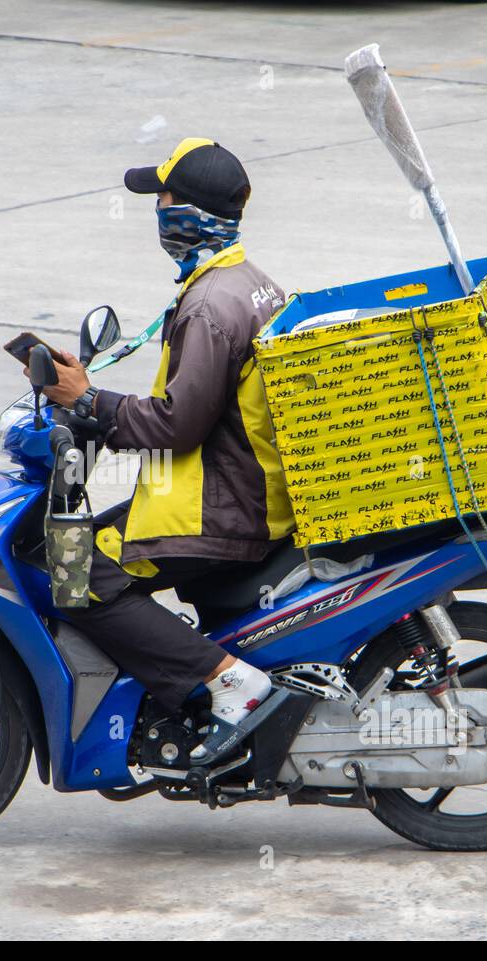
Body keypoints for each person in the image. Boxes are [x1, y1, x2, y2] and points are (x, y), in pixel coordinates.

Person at [36, 138, 295, 763]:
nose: (158, 208)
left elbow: (179, 425)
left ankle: (227, 682)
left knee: (70, 572)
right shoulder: (246, 282)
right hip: (246, 490)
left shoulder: (209, 306)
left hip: (220, 507)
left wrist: (91, 402)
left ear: (190, 213)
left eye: (164, 197)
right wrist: (93, 396)